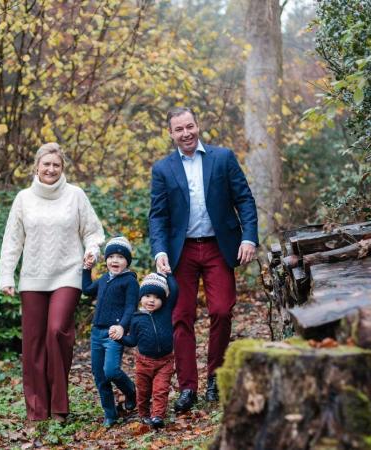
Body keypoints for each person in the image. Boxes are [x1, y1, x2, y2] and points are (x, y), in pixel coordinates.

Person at [149, 107, 258, 413]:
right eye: (179, 129)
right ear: (171, 134)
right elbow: (157, 216)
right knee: (181, 317)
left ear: (198, 126)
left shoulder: (222, 158)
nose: (186, 133)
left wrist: (248, 237)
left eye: (190, 126)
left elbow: (244, 200)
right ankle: (187, 387)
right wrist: (159, 251)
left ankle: (216, 377)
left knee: (222, 310)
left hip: (217, 247)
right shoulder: (163, 169)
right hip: (180, 252)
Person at [0, 142, 105, 422]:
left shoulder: (75, 195)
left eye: (56, 165)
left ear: (62, 168)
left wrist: (93, 250)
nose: (51, 169)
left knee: (57, 331)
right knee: (33, 343)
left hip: (67, 273)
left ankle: (59, 406)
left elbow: (93, 231)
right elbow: (12, 239)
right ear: (36, 167)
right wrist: (6, 275)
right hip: (33, 277)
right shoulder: (23, 198)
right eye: (46, 164)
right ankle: (37, 412)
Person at [82, 236, 138, 427]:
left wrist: (122, 326)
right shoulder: (104, 278)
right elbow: (87, 289)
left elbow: (131, 307)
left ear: (127, 261)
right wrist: (86, 269)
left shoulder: (129, 281)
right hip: (97, 333)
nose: (115, 260)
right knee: (100, 377)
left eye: (120, 257)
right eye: (111, 256)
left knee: (111, 371)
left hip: (114, 333)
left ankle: (130, 391)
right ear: (106, 260)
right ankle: (110, 414)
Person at [119, 272, 178, 430]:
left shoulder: (165, 311)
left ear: (163, 300)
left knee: (161, 389)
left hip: (165, 360)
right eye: (148, 296)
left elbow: (175, 290)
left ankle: (157, 416)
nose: (152, 300)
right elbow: (132, 341)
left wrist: (168, 275)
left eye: (157, 297)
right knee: (143, 390)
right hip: (144, 361)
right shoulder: (136, 318)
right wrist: (120, 338)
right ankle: (144, 414)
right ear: (141, 297)